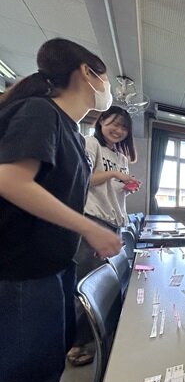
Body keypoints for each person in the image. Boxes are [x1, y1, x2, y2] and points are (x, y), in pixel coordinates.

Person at [0, 38, 122, 382]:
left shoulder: (69, 129)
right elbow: (10, 180)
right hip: (20, 266)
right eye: (105, 77)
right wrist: (89, 227)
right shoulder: (40, 112)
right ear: (86, 72)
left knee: (49, 353)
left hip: (53, 262)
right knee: (21, 363)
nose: (108, 88)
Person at [69, 106, 139, 366]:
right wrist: (114, 174)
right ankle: (78, 345)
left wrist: (127, 187)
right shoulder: (90, 143)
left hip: (114, 221)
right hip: (93, 220)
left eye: (123, 127)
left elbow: (114, 188)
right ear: (101, 121)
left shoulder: (120, 156)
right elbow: (83, 178)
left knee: (106, 282)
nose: (118, 130)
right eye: (114, 124)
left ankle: (97, 338)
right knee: (88, 283)